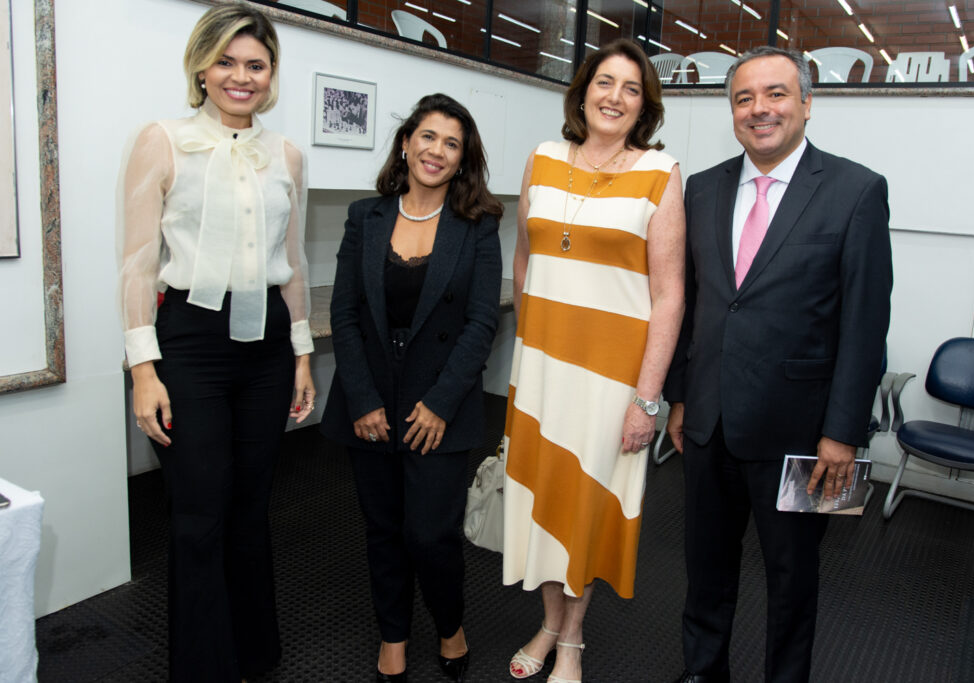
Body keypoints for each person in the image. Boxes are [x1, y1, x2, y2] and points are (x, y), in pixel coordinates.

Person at [663, 46, 892, 683]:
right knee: (705, 572)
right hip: (708, 426)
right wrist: (681, 397)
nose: (759, 109)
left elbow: (866, 326)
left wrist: (843, 433)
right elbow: (695, 305)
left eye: (776, 94)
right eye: (744, 98)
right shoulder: (702, 189)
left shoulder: (856, 191)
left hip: (804, 439)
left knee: (793, 582)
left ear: (807, 103)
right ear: (731, 110)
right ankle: (702, 672)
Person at [116, 5, 315, 681]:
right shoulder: (162, 140)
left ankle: (256, 658)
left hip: (266, 349)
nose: (240, 76)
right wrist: (143, 368)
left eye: (255, 64)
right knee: (199, 509)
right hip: (190, 344)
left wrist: (302, 355)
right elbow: (138, 262)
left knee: (251, 505)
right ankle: (202, 668)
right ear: (201, 66)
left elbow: (295, 262)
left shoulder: (286, 154)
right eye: (226, 61)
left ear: (271, 74)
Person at [502, 39, 685, 683]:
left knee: (587, 505)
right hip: (544, 370)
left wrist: (647, 397)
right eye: (604, 82)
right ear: (582, 93)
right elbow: (526, 259)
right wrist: (532, 343)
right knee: (546, 501)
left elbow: (669, 294)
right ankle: (550, 622)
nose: (614, 97)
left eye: (631, 88)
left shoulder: (661, 172)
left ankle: (572, 638)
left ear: (645, 106)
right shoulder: (543, 159)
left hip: (612, 380)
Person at [319, 93, 503, 683]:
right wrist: (364, 398)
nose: (437, 151)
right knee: (383, 529)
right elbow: (344, 314)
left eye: (452, 143)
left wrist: (442, 402)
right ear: (405, 143)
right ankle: (393, 635)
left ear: (462, 159)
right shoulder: (363, 217)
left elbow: (481, 323)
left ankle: (450, 625)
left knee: (431, 534)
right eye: (428, 137)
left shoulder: (478, 227)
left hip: (439, 405)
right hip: (370, 399)